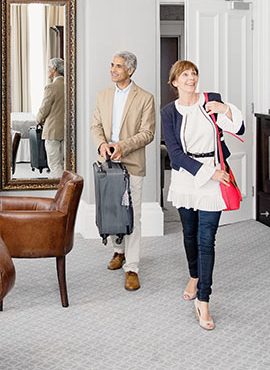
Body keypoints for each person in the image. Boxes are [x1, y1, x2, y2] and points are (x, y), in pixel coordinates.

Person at [161, 60, 244, 330]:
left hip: (215, 176)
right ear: (174, 82)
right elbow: (174, 154)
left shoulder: (211, 101)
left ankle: (204, 301)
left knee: (206, 240)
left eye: (194, 73)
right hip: (187, 179)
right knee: (189, 234)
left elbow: (238, 129)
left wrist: (226, 109)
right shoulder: (168, 112)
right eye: (185, 74)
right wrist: (208, 173)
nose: (191, 78)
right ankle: (194, 276)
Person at [90, 51, 155, 291]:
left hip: (132, 163)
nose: (112, 69)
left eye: (118, 66)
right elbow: (95, 125)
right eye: (112, 65)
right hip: (107, 162)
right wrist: (102, 144)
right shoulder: (103, 95)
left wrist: (122, 146)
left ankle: (133, 266)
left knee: (132, 215)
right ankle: (118, 251)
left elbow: (148, 133)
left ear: (130, 70)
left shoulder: (145, 98)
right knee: (112, 210)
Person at [36, 57, 65, 178]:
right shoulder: (70, 85)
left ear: (54, 69)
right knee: (66, 164)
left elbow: (44, 108)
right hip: (67, 130)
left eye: (49, 68)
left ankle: (59, 190)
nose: (47, 70)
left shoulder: (51, 87)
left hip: (52, 130)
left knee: (55, 164)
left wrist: (37, 120)